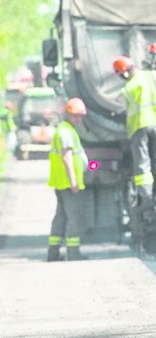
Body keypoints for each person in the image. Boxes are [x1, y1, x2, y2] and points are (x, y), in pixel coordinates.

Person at [112, 55, 156, 213]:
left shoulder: (129, 87)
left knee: (143, 165)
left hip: (139, 128)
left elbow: (119, 105)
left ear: (123, 74)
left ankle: (147, 198)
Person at [47, 98, 89, 262]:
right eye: (75, 116)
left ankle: (53, 252)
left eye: (80, 116)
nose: (78, 119)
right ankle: (73, 253)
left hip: (61, 183)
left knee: (61, 217)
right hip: (67, 183)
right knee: (74, 217)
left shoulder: (66, 130)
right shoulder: (65, 132)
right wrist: (74, 182)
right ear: (67, 115)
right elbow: (67, 157)